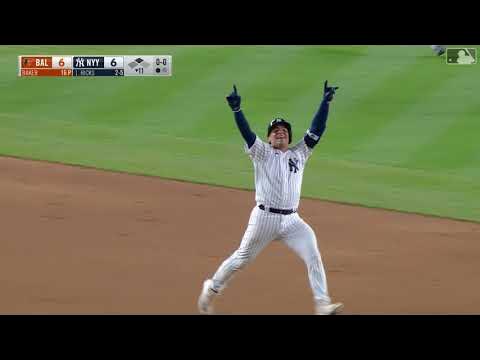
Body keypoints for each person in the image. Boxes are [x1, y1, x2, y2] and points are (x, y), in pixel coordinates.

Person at [197, 81, 344, 315]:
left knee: (313, 254)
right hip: (264, 218)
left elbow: (317, 129)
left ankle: (322, 304)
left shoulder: (300, 153)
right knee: (240, 260)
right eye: (275, 130)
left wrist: (325, 102)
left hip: (292, 221)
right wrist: (237, 110)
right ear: (268, 138)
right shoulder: (261, 152)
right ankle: (211, 289)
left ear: (289, 137)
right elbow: (246, 133)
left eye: (284, 130)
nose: (280, 132)